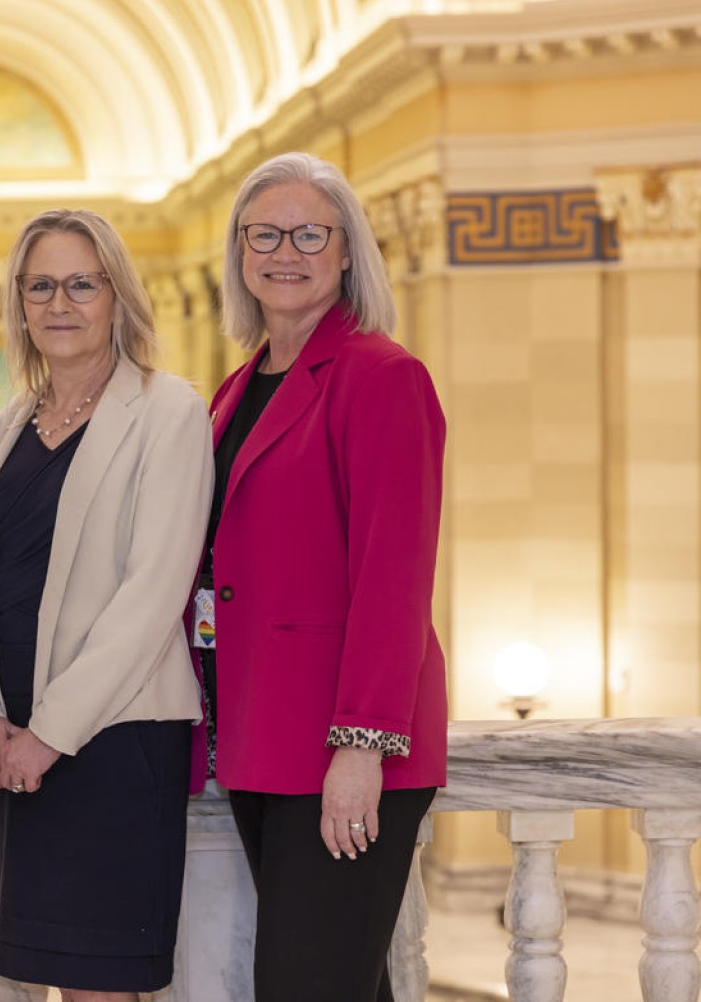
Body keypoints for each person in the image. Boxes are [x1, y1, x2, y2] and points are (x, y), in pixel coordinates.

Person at [0, 209, 214, 1001]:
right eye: (40, 286)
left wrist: (49, 736)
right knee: (49, 977)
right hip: (16, 743)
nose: (59, 304)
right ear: (19, 303)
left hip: (115, 739)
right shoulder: (11, 422)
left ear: (117, 296)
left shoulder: (168, 410)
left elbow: (153, 592)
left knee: (100, 987)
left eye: (81, 285)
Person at [204, 151, 448, 1001]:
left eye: (310, 234)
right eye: (264, 234)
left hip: (339, 744)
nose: (285, 252)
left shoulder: (383, 377)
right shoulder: (236, 389)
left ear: (347, 252)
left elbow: (395, 576)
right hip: (260, 736)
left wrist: (361, 745)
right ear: (239, 252)